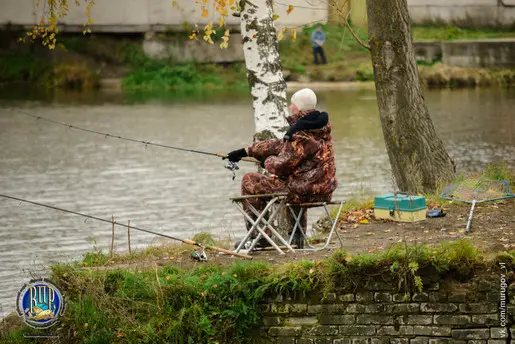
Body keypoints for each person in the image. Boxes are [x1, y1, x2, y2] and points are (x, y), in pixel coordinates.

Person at [225, 88, 337, 247]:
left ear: (298, 108)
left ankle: (259, 238)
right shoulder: (319, 129)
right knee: (297, 182)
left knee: (249, 180)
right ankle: (298, 239)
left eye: (292, 105)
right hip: (324, 192)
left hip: (303, 193)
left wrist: (267, 162)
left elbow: (281, 167)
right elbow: (280, 145)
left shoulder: (299, 135)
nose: (290, 108)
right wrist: (246, 151)